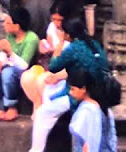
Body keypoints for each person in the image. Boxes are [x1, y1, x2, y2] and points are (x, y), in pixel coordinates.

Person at [27, 18, 111, 152]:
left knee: (43, 112)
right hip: (100, 91)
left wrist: (59, 46)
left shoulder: (73, 49)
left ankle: (36, 150)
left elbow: (53, 66)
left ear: (68, 34)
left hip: (81, 93)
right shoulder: (95, 44)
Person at [0, 8, 39, 122]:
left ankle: (11, 106)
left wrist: (10, 52)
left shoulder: (31, 38)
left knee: (7, 72)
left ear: (17, 26)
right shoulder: (10, 37)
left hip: (26, 73)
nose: (4, 25)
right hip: (10, 69)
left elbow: (24, 65)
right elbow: (3, 55)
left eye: (7, 23)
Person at [66, 68, 116, 152]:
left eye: (73, 89)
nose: (70, 93)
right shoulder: (102, 107)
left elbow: (88, 144)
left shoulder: (87, 111)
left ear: (83, 89)